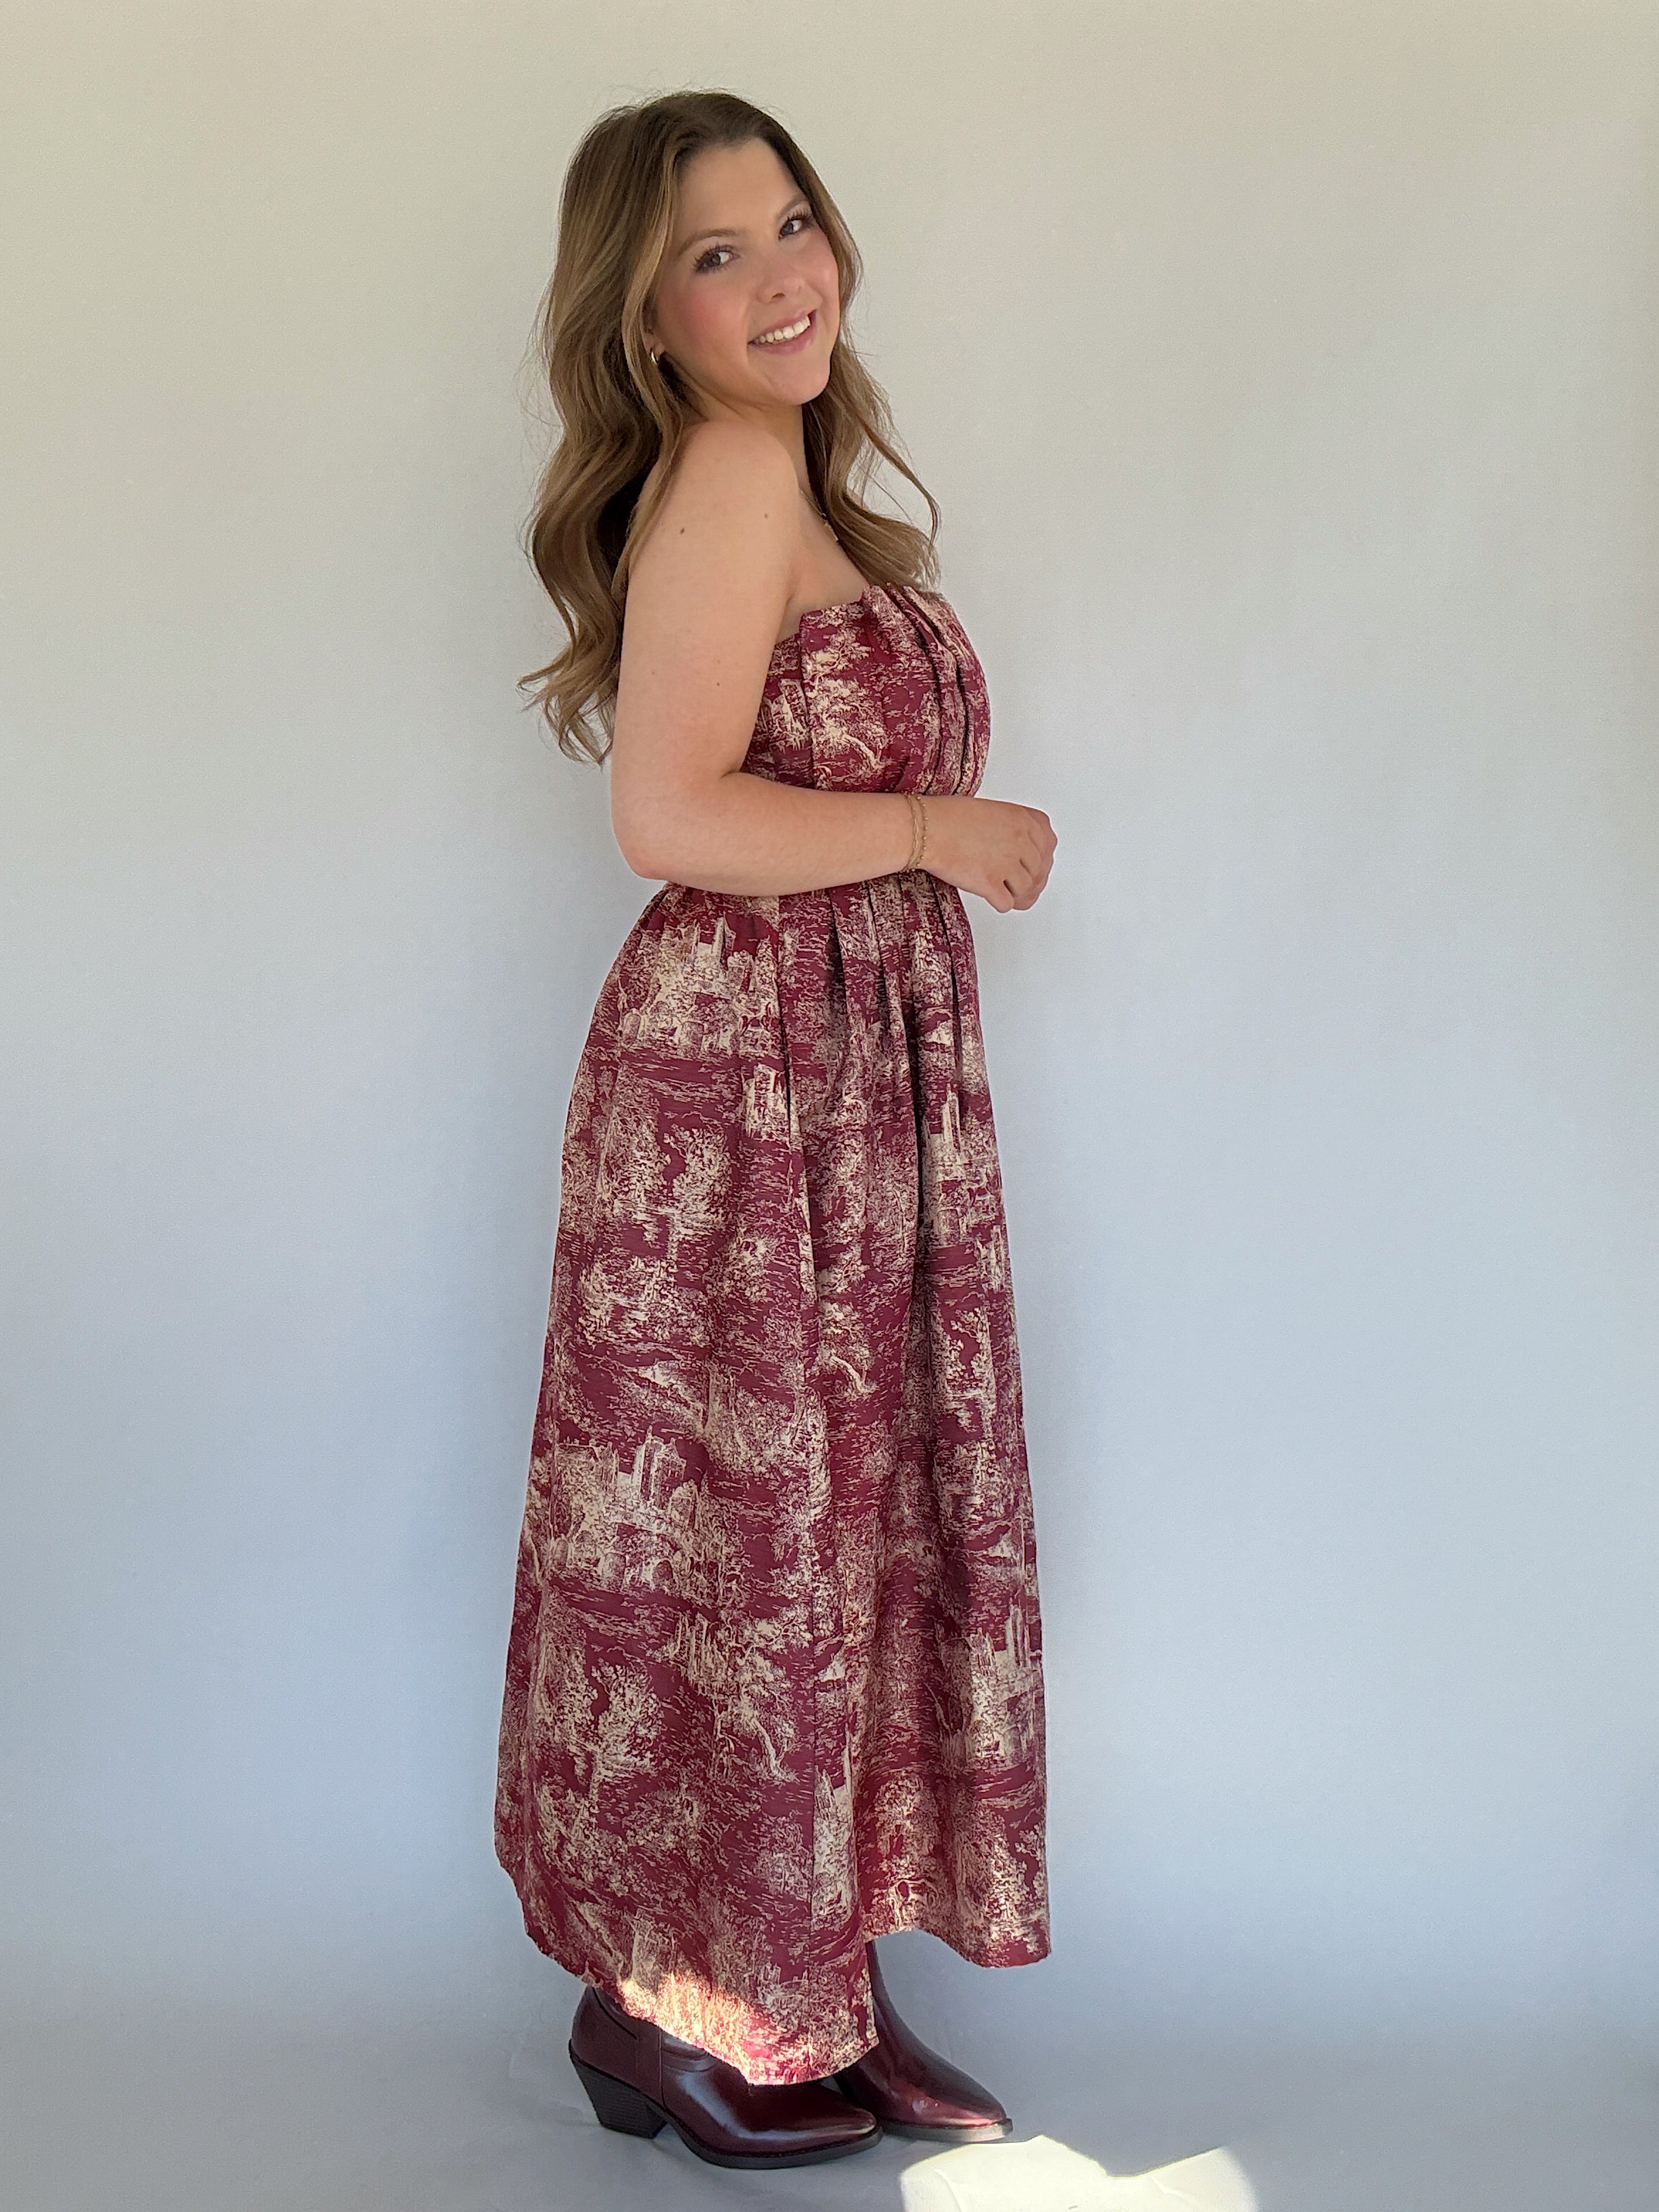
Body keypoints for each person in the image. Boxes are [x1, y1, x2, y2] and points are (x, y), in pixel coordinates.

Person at [494, 89, 1057, 2173]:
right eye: (715, 251)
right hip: (742, 1104)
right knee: (748, 1550)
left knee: (838, 1544)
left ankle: (808, 1987)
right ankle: (671, 2015)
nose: (778, 273)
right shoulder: (731, 475)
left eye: (791, 221)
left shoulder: (791, 474)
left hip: (843, 1085)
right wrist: (935, 829)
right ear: (643, 312)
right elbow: (667, 813)